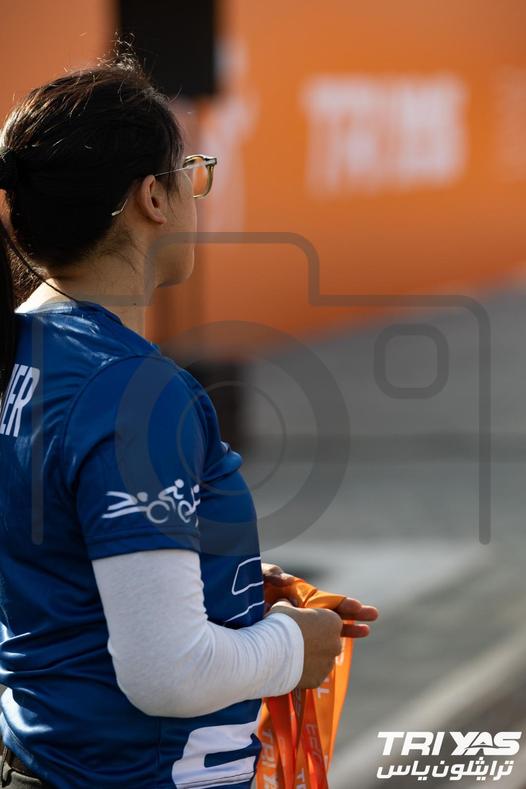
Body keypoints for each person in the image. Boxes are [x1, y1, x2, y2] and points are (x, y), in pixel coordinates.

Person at [0, 50, 378, 788]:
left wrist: (218, 577)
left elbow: (59, 560)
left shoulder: (26, 349)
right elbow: (168, 674)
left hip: (46, 757)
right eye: (192, 171)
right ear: (153, 197)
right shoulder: (132, 391)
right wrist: (294, 645)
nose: (197, 190)